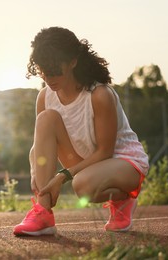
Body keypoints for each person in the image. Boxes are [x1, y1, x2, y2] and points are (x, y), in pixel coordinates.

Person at [13, 27, 149, 236]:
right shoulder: (44, 97)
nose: (49, 78)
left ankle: (123, 199)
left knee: (83, 186)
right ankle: (43, 212)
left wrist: (61, 177)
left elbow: (104, 151)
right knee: (46, 118)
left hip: (124, 162)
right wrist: (36, 174)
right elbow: (38, 145)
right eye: (44, 71)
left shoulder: (99, 94)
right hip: (85, 162)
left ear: (73, 61)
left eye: (55, 70)